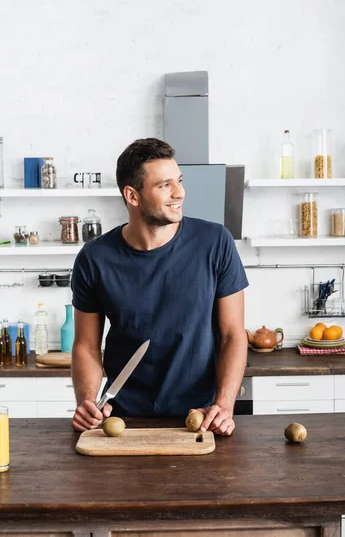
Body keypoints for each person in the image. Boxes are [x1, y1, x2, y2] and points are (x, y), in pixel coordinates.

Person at [71, 138, 248, 436]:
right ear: (133, 196)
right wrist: (89, 402)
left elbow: (233, 335)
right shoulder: (94, 258)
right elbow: (86, 346)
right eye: (165, 185)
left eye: (179, 181)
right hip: (123, 422)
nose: (180, 193)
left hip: (200, 420)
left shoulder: (216, 243)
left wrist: (224, 405)